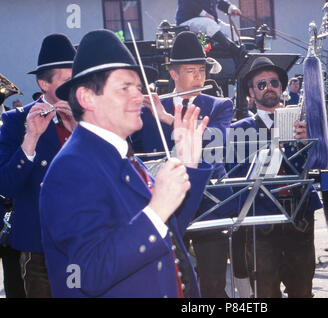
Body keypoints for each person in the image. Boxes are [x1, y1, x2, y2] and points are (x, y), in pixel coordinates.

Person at [39, 29, 212, 298]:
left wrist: (188, 165)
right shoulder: (72, 168)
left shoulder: (121, 156)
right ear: (86, 97)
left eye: (139, 88)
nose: (138, 97)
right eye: (124, 88)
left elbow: (171, 232)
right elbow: (88, 272)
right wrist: (157, 209)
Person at [131, 31, 237, 298]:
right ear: (174, 74)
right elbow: (134, 154)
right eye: (191, 71)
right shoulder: (150, 107)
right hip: (166, 209)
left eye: (202, 70)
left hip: (210, 204)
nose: (199, 77)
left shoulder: (219, 105)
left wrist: (168, 119)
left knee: (213, 285)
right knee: (172, 283)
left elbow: (217, 140)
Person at [229, 57, 322, 297]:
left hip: (299, 216)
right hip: (261, 219)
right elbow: (236, 179)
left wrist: (307, 143)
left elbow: (318, 166)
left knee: (303, 290)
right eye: (261, 84)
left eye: (274, 82)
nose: (269, 87)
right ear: (251, 92)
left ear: (281, 88)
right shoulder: (239, 130)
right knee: (265, 292)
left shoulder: (303, 124)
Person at [0, 33, 77, 298]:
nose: (74, 86)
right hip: (39, 247)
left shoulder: (90, 117)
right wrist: (30, 138)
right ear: (43, 83)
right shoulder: (15, 121)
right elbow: (6, 185)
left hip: (87, 240)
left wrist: (80, 132)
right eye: (67, 80)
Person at [176, 0, 247, 68]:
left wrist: (231, 8)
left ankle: (239, 60)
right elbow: (188, 3)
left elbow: (220, 2)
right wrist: (205, 14)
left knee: (228, 29)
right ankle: (234, 49)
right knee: (210, 24)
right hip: (187, 20)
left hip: (207, 21)